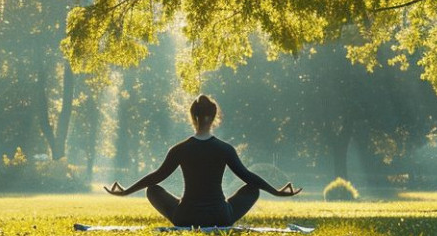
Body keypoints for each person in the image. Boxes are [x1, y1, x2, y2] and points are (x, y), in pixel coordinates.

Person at [105, 94, 301, 227]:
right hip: (220, 216)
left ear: (193, 116)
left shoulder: (180, 149)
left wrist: (126, 192)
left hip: (186, 217)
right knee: (253, 189)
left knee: (152, 190)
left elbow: (156, 178)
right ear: (215, 116)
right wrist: (276, 192)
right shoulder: (225, 149)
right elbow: (249, 178)